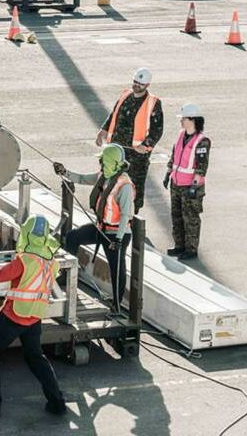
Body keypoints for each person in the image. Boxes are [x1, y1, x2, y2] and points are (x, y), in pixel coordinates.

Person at [0, 215, 67, 418]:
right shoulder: (51, 262)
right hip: (34, 318)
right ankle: (57, 402)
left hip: (13, 317)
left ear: (26, 234)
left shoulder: (24, 261)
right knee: (36, 358)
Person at [54, 144, 134, 311]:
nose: (100, 164)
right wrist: (64, 172)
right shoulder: (103, 176)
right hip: (101, 228)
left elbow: (126, 215)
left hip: (116, 234)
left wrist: (118, 240)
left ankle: (116, 304)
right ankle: (66, 277)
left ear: (111, 163)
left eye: (102, 161)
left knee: (116, 269)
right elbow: (83, 179)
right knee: (72, 237)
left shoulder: (124, 186)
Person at [96, 67, 163, 212]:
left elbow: (157, 131)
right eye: (135, 81)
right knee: (110, 183)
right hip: (115, 152)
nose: (136, 85)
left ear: (147, 85)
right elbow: (114, 114)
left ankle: (133, 219)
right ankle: (108, 213)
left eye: (140, 83)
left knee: (133, 189)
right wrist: (103, 130)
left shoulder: (153, 103)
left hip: (136, 157)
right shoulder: (125, 94)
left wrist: (145, 146)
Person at [164, 103, 211, 261]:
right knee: (176, 216)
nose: (181, 121)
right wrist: (168, 173)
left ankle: (191, 249)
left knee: (190, 218)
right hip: (176, 184)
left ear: (192, 119)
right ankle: (179, 246)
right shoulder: (180, 135)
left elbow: (201, 167)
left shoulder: (202, 141)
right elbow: (174, 156)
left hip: (190, 187)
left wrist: (194, 186)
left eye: (183, 118)